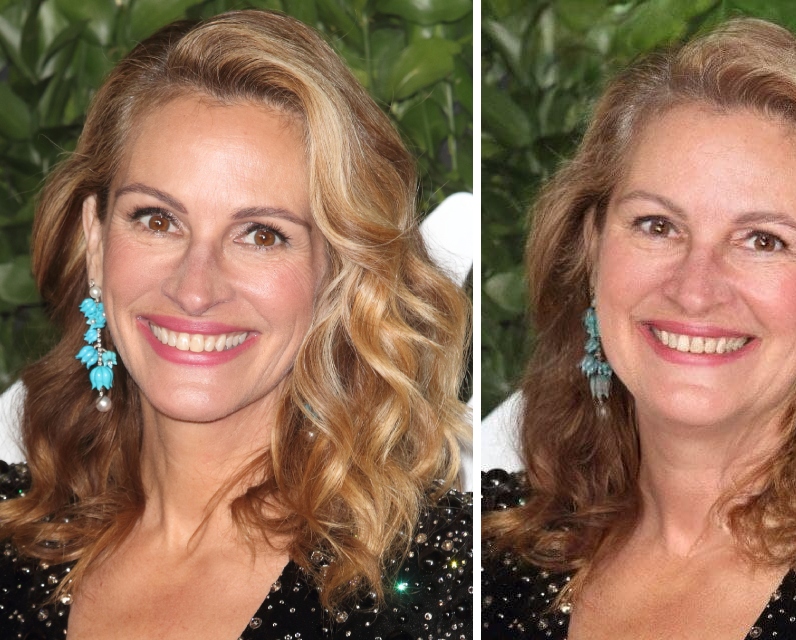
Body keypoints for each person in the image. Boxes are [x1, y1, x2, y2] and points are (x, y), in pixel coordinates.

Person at [482, 17, 796, 639]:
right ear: (591, 249)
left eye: (763, 240)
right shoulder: (486, 547)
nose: (695, 288)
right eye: (657, 226)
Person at [0, 10, 471, 639]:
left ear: (339, 271)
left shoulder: (443, 587)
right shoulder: (16, 533)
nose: (195, 289)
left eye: (261, 234)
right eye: (157, 220)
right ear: (95, 239)